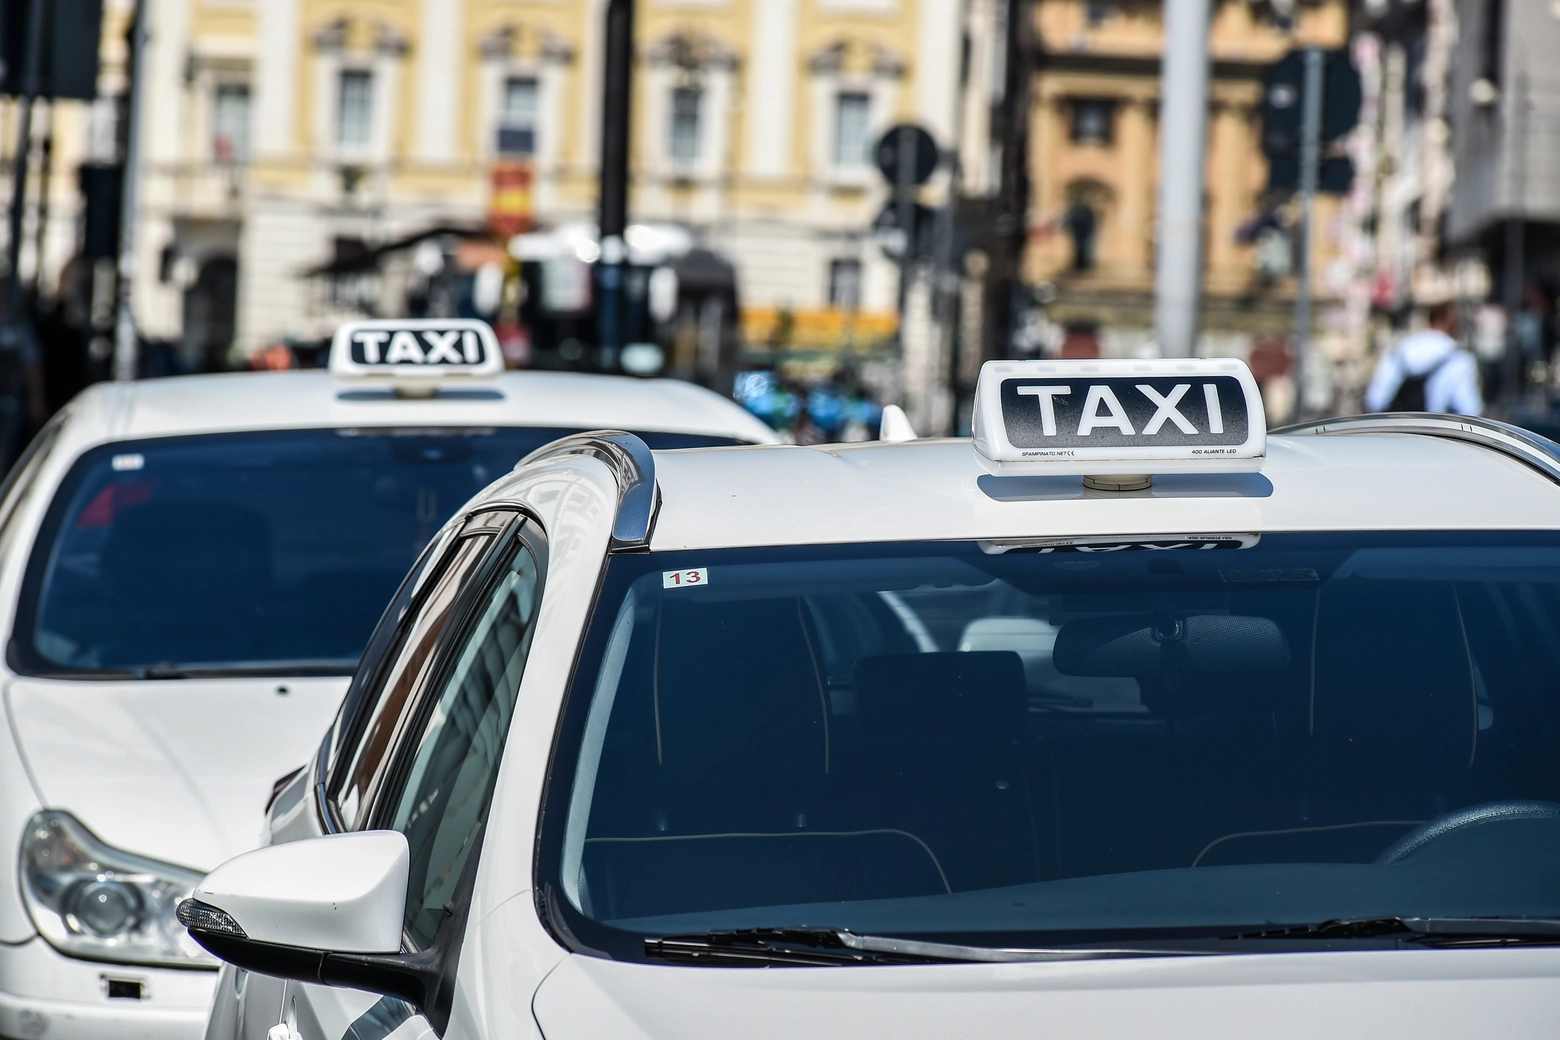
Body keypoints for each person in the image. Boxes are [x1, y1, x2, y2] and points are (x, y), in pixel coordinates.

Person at [1364, 302, 1482, 415]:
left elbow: (1375, 400)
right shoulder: (1460, 359)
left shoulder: (1400, 350)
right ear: (1452, 322)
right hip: (1435, 432)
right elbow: (1469, 409)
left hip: (1394, 429)